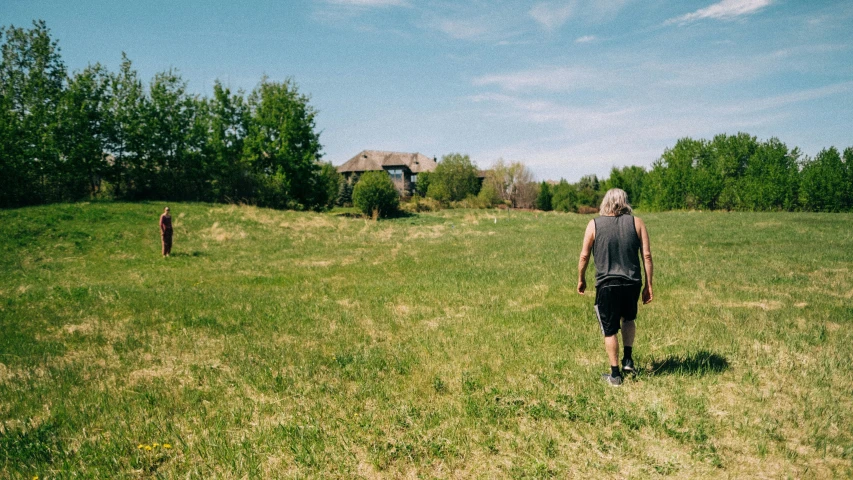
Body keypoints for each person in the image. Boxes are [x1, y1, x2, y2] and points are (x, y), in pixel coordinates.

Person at [577, 189, 653, 386]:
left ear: (605, 202)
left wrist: (581, 278)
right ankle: (628, 359)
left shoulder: (594, 224)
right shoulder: (637, 223)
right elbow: (647, 256)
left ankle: (615, 375)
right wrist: (648, 285)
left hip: (606, 284)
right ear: (625, 202)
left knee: (610, 329)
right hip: (632, 282)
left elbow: (584, 255)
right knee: (629, 318)